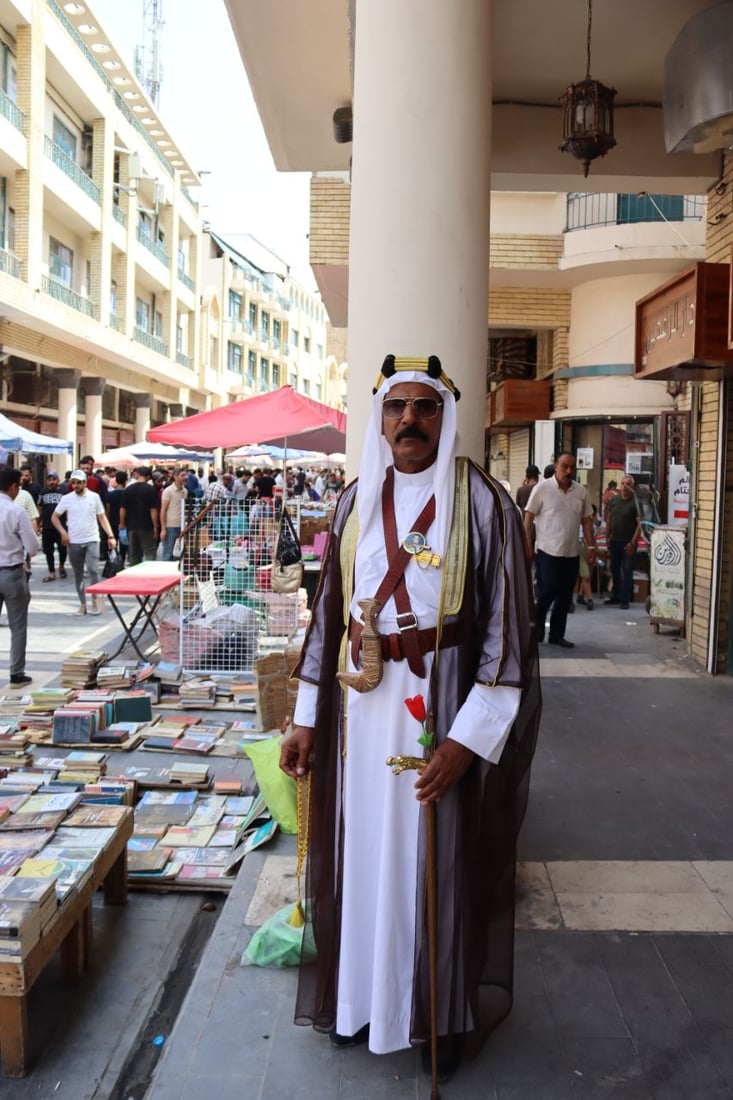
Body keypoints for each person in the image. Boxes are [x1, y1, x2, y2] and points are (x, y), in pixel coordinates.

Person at [279, 354, 540, 1082]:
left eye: (424, 409)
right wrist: (305, 719)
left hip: (442, 707)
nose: (408, 422)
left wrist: (466, 741)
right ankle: (361, 1005)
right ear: (380, 419)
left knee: (436, 865)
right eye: (396, 409)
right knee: (361, 855)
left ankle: (434, 1015)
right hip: (361, 719)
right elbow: (327, 620)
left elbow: (505, 639)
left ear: (444, 418)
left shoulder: (483, 503)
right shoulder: (354, 501)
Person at [523, 451, 597, 648]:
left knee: (565, 596)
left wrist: (591, 546)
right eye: (564, 466)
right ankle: (536, 629)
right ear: (556, 466)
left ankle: (557, 634)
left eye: (572, 467)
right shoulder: (542, 488)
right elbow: (529, 517)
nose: (569, 470)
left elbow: (587, 521)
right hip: (548, 551)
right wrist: (527, 545)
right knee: (547, 591)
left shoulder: (581, 492)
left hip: (571, 552)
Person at [51, 470, 116, 615]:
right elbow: (54, 517)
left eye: (79, 482)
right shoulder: (67, 498)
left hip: (92, 539)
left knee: (93, 571)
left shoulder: (94, 497)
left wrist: (111, 536)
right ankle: (82, 604)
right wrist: (63, 533)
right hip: (74, 541)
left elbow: (102, 517)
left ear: (85, 483)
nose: (76, 485)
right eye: (73, 482)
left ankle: (95, 601)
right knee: (78, 574)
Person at [0, 468, 38, 684]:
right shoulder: (16, 512)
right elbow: (32, 547)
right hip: (12, 573)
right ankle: (16, 672)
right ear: (14, 486)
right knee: (18, 625)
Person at [605, 475, 642, 610]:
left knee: (627, 571)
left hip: (628, 543)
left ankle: (625, 600)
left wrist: (633, 543)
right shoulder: (614, 500)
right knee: (614, 570)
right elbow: (609, 518)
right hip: (615, 541)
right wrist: (607, 536)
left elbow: (640, 525)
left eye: (628, 484)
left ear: (633, 487)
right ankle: (616, 595)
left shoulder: (635, 502)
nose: (625, 486)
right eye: (623, 483)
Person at [119, 466, 159, 566]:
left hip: (131, 526)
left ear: (137, 475)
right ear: (149, 477)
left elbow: (123, 508)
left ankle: (134, 574)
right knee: (149, 551)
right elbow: (153, 510)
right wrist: (155, 526)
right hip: (146, 526)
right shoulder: (151, 490)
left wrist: (122, 523)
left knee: (133, 553)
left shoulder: (128, 489)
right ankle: (149, 574)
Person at [38, 471, 68, 581]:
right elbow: (40, 509)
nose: (51, 482)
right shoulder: (43, 493)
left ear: (58, 480)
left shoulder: (64, 492)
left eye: (54, 480)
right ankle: (51, 572)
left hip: (61, 527)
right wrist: (38, 524)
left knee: (62, 549)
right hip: (47, 527)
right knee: (48, 550)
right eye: (49, 480)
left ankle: (61, 566)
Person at [159, 466, 188, 560]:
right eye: (182, 475)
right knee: (167, 552)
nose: (185, 477)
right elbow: (163, 510)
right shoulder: (168, 491)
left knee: (181, 553)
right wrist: (163, 528)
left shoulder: (185, 491)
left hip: (182, 525)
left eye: (185, 475)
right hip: (170, 526)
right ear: (175, 477)